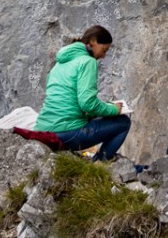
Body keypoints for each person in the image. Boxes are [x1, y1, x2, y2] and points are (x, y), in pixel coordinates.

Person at [33, 25, 131, 161]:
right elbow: (87, 104)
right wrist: (113, 109)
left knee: (96, 118)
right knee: (123, 123)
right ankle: (100, 164)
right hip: (65, 133)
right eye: (104, 50)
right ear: (93, 41)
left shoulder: (60, 63)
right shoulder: (88, 62)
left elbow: (69, 100)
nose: (103, 56)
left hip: (42, 130)